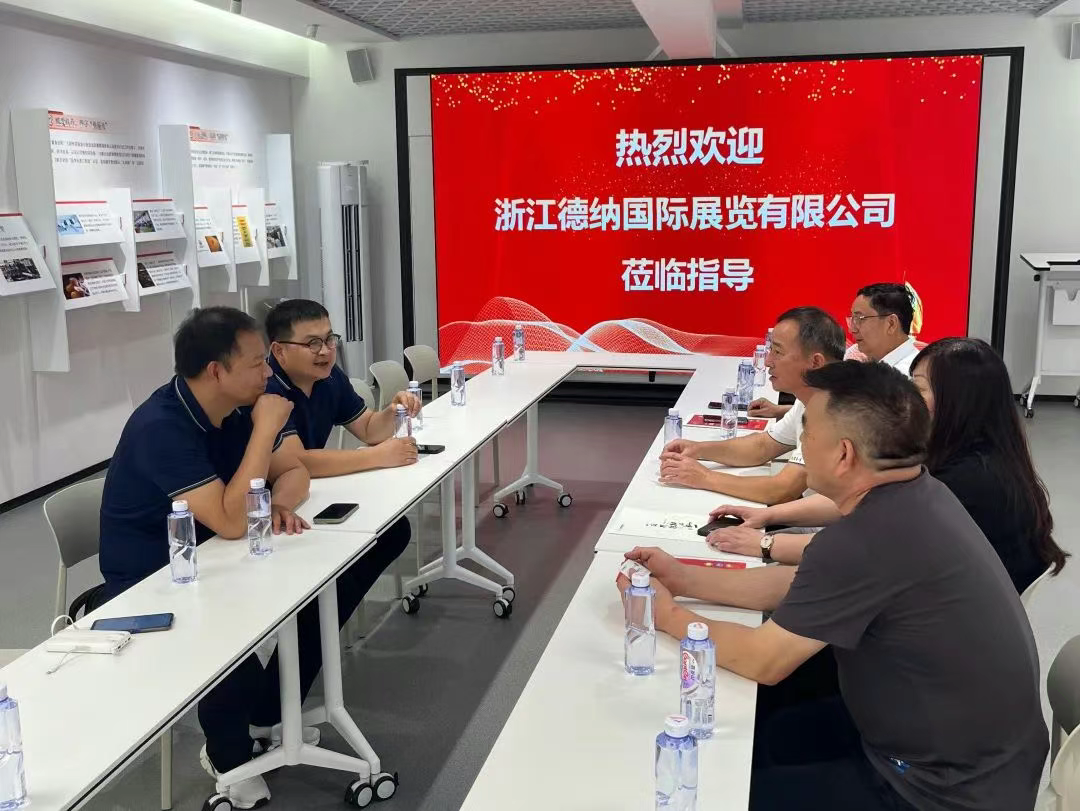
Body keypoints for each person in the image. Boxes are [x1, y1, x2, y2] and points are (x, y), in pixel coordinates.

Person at [620, 361, 1048, 811]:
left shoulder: (867, 537)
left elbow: (763, 659)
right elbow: (800, 585)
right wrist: (685, 578)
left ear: (844, 455)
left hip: (939, 791)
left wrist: (665, 615)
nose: (801, 443)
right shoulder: (919, 493)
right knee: (764, 729)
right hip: (977, 758)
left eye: (808, 431)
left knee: (725, 783)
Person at [99, 307, 362, 809]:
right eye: (257, 363)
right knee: (227, 631)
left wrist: (274, 503)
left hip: (221, 551)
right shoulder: (161, 426)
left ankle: (265, 713)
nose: (267, 373)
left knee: (334, 577)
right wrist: (264, 434)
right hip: (156, 575)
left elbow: (294, 472)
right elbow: (231, 520)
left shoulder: (240, 407)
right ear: (216, 371)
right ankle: (228, 755)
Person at [707, 337, 1067, 593]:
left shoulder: (966, 481)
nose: (906, 399)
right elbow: (869, 499)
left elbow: (865, 546)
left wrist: (766, 544)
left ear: (958, 401)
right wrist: (769, 517)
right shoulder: (955, 452)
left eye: (918, 388)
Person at [264, 298, 415, 593]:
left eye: (329, 339)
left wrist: (393, 411)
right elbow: (296, 461)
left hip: (309, 494)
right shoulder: (268, 388)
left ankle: (326, 614)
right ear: (279, 351)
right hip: (272, 508)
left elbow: (368, 428)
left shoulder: (330, 377)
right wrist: (377, 457)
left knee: (393, 531)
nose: (325, 351)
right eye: (312, 343)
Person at [659, 307, 844, 505]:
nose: (768, 361)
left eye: (778, 352)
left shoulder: (834, 412)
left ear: (815, 362)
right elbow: (763, 446)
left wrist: (704, 477)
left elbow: (783, 490)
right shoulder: (810, 398)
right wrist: (699, 449)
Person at [747, 282, 919, 420]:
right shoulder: (859, 356)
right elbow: (845, 409)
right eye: (852, 319)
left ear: (891, 324)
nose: (853, 329)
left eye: (860, 318)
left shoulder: (908, 377)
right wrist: (781, 410)